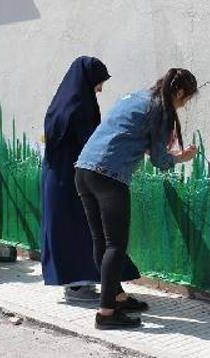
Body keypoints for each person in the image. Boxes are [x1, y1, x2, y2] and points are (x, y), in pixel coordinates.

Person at [75, 68, 199, 330]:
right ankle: (106, 314)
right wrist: (180, 156)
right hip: (109, 175)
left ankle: (116, 297)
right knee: (115, 245)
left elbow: (127, 135)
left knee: (102, 240)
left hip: (84, 169)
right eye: (185, 99)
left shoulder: (135, 97)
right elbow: (160, 161)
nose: (183, 104)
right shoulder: (161, 110)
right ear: (179, 92)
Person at [41, 56, 139, 302]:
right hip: (74, 177)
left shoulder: (60, 105)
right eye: (98, 83)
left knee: (71, 228)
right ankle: (79, 285)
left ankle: (79, 283)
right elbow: (91, 142)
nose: (100, 88)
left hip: (58, 176)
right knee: (85, 229)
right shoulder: (81, 107)